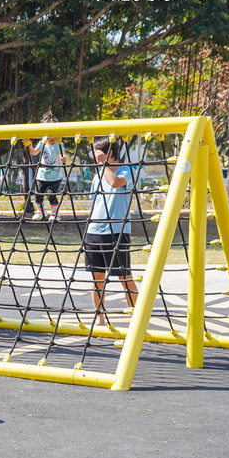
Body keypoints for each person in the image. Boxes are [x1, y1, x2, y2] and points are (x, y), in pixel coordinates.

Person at [85, 138, 138, 326]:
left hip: (116, 231)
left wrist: (102, 164)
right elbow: (96, 200)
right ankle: (99, 318)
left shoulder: (128, 171)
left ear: (109, 154)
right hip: (94, 231)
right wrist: (101, 166)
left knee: (124, 276)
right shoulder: (98, 175)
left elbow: (115, 183)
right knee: (97, 276)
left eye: (97, 153)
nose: (94, 157)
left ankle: (137, 320)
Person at [26, 111, 67, 221]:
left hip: (55, 176)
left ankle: (55, 214)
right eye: (49, 135)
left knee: (51, 195)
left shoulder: (59, 144)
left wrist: (64, 159)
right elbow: (34, 152)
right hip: (42, 175)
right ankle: (40, 211)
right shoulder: (41, 144)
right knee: (38, 195)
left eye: (54, 134)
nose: (51, 137)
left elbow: (64, 155)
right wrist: (30, 146)